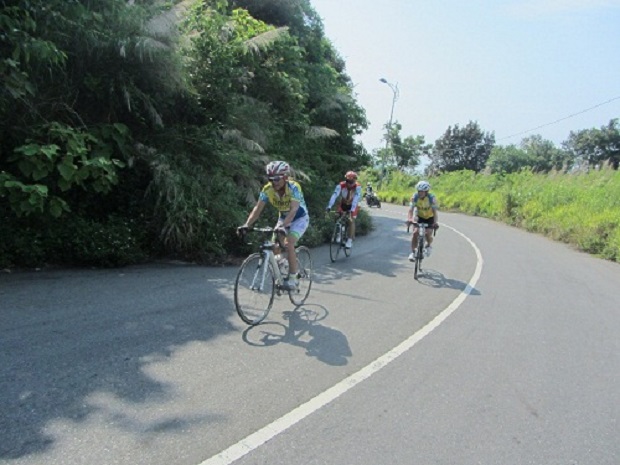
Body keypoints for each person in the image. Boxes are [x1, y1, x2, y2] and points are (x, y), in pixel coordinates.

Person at [238, 161, 309, 290]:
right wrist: (246, 225)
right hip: (283, 218)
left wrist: (283, 226)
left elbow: (293, 210)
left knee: (289, 243)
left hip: (299, 218)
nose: (273, 182)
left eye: (276, 178)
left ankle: (293, 278)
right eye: (270, 178)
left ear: (285, 177)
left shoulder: (294, 187)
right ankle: (284, 262)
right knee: (274, 248)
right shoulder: (267, 189)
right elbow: (257, 209)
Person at [325, 171, 362, 248]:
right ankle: (339, 231)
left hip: (353, 204)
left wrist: (351, 211)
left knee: (351, 220)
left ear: (355, 181)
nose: (349, 184)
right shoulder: (341, 185)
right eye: (348, 181)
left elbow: (356, 199)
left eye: (351, 182)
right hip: (343, 203)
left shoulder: (358, 187)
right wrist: (329, 206)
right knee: (337, 215)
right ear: (346, 180)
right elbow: (334, 195)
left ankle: (349, 240)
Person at [407, 180, 439, 261]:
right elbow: (410, 210)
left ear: (426, 192)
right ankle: (413, 252)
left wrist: (435, 223)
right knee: (415, 233)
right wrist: (410, 219)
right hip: (419, 216)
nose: (420, 193)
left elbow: (435, 212)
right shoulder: (414, 197)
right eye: (419, 191)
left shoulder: (431, 198)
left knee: (428, 233)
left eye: (422, 192)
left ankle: (428, 245)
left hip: (429, 218)